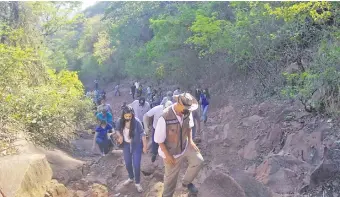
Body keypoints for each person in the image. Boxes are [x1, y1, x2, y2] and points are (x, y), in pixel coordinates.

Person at [154, 93, 204, 197]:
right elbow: (159, 140)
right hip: (171, 152)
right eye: (186, 108)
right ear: (179, 104)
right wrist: (167, 155)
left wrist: (190, 141)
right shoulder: (164, 117)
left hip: (185, 146)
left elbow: (189, 127)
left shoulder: (186, 112)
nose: (188, 111)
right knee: (170, 182)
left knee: (198, 161)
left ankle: (186, 182)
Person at [114, 106, 148, 193]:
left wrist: (144, 146)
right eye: (126, 116)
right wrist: (120, 136)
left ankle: (137, 183)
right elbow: (117, 129)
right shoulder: (120, 121)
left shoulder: (136, 122)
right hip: (126, 145)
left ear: (132, 115)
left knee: (136, 165)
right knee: (128, 163)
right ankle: (131, 177)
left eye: (130, 116)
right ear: (123, 115)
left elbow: (142, 134)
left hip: (136, 145)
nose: (128, 118)